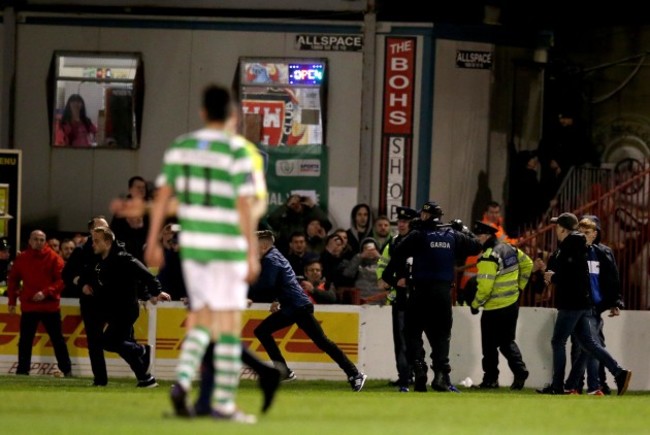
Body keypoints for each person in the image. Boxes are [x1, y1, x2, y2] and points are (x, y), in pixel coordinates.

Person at [145, 84, 262, 423]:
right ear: (232, 116)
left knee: (202, 317)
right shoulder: (239, 151)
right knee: (226, 326)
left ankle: (182, 380)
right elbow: (245, 204)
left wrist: (153, 241)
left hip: (194, 248)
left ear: (202, 113)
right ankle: (223, 404)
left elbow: (163, 197)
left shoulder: (181, 147)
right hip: (227, 247)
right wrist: (252, 253)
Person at [380, 201, 482, 393]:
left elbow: (398, 252)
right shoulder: (452, 235)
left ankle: (419, 369)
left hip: (419, 292)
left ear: (426, 216)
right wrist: (465, 229)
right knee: (442, 335)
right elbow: (476, 246)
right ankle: (441, 376)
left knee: (412, 332)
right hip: (443, 294)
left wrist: (389, 278)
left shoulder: (418, 235)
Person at [251, 230, 368, 391]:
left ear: (263, 245)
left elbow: (266, 285)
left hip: (297, 307)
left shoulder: (271, 260)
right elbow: (283, 282)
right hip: (292, 306)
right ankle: (284, 371)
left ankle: (355, 374)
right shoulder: (273, 256)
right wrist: (276, 299)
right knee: (262, 331)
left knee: (322, 342)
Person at [536, 212, 632, 396]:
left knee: (558, 342)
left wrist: (554, 276)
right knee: (589, 343)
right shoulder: (571, 246)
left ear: (563, 229)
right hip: (582, 304)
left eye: (557, 226)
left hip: (572, 303)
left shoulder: (572, 244)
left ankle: (559, 386)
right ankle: (619, 372)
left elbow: (575, 275)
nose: (555, 230)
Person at [83, 226, 170, 387]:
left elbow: (146, 276)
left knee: (108, 342)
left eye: (96, 241)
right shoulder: (102, 260)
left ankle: (141, 350)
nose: (92, 244)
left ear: (108, 242)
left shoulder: (124, 258)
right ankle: (146, 379)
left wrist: (155, 292)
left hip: (125, 311)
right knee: (122, 346)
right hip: (113, 311)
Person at [564, 216, 624, 395]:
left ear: (595, 233)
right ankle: (590, 385)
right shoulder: (574, 251)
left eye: (587, 232)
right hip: (579, 305)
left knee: (588, 345)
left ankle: (583, 386)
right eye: (580, 232)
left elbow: (612, 279)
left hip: (594, 306)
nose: (583, 236)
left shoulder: (603, 252)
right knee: (588, 345)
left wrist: (614, 302)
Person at [469, 221, 532, 390]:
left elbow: (485, 288)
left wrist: (475, 304)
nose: (477, 239)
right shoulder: (510, 248)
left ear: (487, 236)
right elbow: (528, 264)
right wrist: (519, 287)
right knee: (506, 342)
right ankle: (519, 371)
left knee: (489, 347)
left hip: (493, 308)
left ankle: (490, 380)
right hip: (511, 305)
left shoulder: (488, 256)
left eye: (479, 236)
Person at [6, 230, 72, 377]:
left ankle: (66, 369)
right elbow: (13, 280)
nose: (39, 242)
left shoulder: (54, 258)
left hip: (50, 307)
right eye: (36, 239)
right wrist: (11, 300)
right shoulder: (22, 258)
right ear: (30, 241)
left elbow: (62, 280)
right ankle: (23, 370)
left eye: (42, 239)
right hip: (30, 306)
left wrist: (45, 292)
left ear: (45, 241)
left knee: (57, 339)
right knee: (25, 340)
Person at [376, 205, 420, 392]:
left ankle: (413, 376)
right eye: (400, 221)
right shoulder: (393, 243)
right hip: (400, 298)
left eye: (405, 222)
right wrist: (382, 279)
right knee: (401, 341)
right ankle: (404, 376)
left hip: (417, 297)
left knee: (413, 341)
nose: (401, 225)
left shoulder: (418, 242)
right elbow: (383, 263)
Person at [63, 215, 111, 385]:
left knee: (120, 339)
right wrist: (81, 285)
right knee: (94, 341)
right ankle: (100, 379)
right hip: (91, 303)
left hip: (113, 301)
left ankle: (142, 368)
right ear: (91, 231)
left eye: (106, 227)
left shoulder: (116, 247)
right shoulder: (81, 251)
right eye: (101, 227)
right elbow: (67, 274)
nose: (106, 230)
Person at [458, 201, 516, 305]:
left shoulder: (497, 227)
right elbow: (507, 244)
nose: (494, 215)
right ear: (486, 213)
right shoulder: (488, 227)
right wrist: (522, 240)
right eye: (492, 212)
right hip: (475, 278)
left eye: (497, 212)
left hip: (478, 278)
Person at [266, 194, 330, 256]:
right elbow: (271, 219)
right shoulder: (284, 222)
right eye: (293, 204)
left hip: (307, 256)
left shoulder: (309, 221)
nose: (297, 205)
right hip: (287, 255)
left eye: (299, 203)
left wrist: (313, 207)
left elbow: (327, 225)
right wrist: (286, 206)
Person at [342, 237, 386, 305]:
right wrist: (360, 257)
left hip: (379, 301)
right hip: (360, 301)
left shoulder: (382, 263)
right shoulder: (357, 262)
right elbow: (348, 274)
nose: (369, 251)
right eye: (366, 249)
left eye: (372, 249)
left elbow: (393, 272)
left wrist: (379, 257)